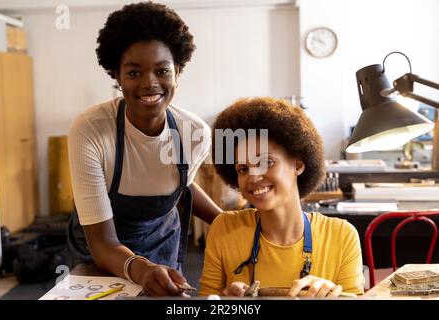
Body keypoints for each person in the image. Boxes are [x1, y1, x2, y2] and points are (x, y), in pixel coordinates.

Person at [67, 2, 221, 297]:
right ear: (116, 75)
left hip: (161, 241)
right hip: (98, 250)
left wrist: (224, 220)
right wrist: (139, 267)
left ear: (177, 71)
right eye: (134, 73)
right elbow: (102, 243)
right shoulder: (91, 131)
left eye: (162, 70)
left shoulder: (195, 133)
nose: (150, 84)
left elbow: (180, 184)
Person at [199, 97, 365, 297]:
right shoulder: (224, 229)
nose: (253, 177)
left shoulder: (342, 237)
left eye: (266, 162)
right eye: (243, 168)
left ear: (298, 165)